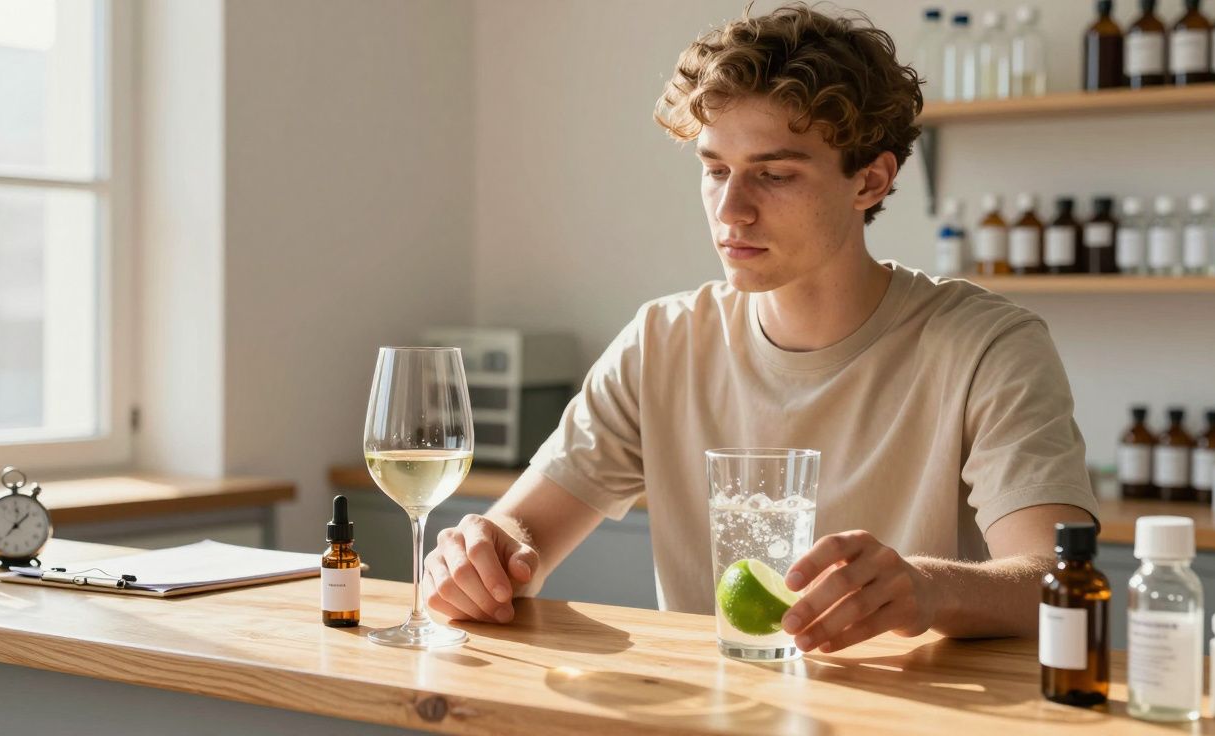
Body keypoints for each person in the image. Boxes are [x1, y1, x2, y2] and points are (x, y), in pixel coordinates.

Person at [422, 3, 1098, 654]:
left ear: (870, 180)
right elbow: (522, 536)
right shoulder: (662, 342)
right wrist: (480, 555)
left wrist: (925, 588)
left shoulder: (988, 347)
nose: (731, 211)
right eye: (715, 171)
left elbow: (1058, 578)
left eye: (773, 175)